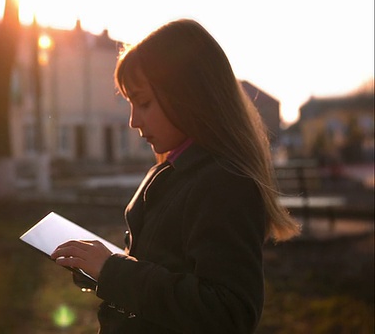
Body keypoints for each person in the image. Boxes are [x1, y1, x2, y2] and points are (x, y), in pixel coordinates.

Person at [50, 18, 301, 333]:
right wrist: (99, 269)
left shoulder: (224, 184)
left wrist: (113, 272)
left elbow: (229, 312)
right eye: (130, 104)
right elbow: (162, 266)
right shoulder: (175, 169)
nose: (132, 121)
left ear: (189, 94)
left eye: (143, 103)